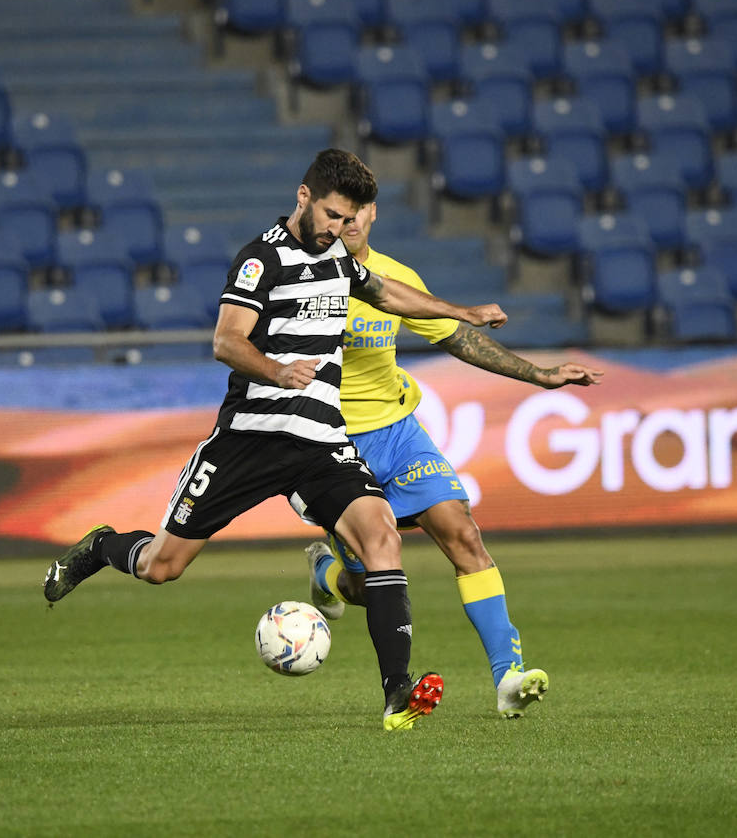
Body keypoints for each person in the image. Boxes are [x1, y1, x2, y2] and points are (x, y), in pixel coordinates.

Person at [43, 149, 510, 731]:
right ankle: (101, 547)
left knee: (381, 537)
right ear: (303, 198)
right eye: (332, 216)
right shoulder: (260, 260)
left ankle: (397, 694)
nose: (340, 230)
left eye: (349, 220)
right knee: (162, 566)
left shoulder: (340, 259)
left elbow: (388, 294)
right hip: (249, 440)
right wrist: (277, 370)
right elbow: (226, 341)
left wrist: (459, 311)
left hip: (320, 443)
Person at [303, 200, 604, 719]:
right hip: (334, 448)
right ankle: (327, 574)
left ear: (374, 213)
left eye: (358, 212)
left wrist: (539, 375)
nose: (348, 222)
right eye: (340, 213)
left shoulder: (395, 279)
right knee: (363, 586)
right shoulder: (303, 285)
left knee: (463, 533)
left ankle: (508, 676)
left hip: (400, 435)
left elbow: (459, 337)